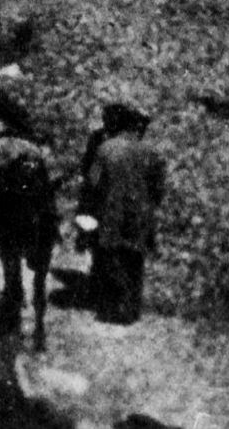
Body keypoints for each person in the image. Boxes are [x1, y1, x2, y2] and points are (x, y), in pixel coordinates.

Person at [78, 100, 165, 323]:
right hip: (142, 213)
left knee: (112, 256)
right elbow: (158, 189)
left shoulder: (105, 149)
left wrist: (88, 212)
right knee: (136, 258)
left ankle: (114, 306)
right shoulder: (152, 152)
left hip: (111, 211)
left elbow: (92, 182)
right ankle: (131, 308)